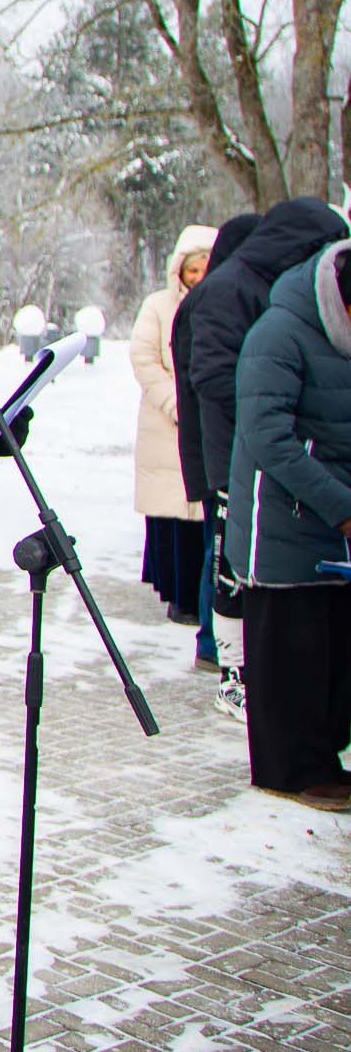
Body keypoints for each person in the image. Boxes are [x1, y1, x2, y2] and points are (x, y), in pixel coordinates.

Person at [183, 196, 349, 720]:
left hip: (268, 458)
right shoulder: (230, 289)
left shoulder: (273, 287)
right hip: (234, 454)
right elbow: (212, 375)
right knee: (232, 571)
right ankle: (231, 671)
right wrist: (281, 407)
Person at [225, 237, 351, 812]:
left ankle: (321, 757)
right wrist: (340, 505)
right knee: (292, 656)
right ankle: (291, 769)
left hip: (331, 518)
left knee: (331, 654)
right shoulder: (278, 333)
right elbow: (268, 437)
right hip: (283, 523)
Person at [175, 211, 261, 669]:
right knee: (220, 551)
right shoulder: (214, 300)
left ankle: (215, 639)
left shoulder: (214, 296)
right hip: (217, 449)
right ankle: (212, 643)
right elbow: (206, 381)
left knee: (221, 546)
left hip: (213, 447)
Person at [133, 225, 219, 626]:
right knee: (171, 514)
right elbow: (144, 358)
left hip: (206, 422)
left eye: (206, 269)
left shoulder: (223, 305)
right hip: (166, 425)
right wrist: (176, 403)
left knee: (203, 516)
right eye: (192, 270)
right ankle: (177, 594)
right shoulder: (158, 306)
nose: (198, 278)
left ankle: (202, 596)